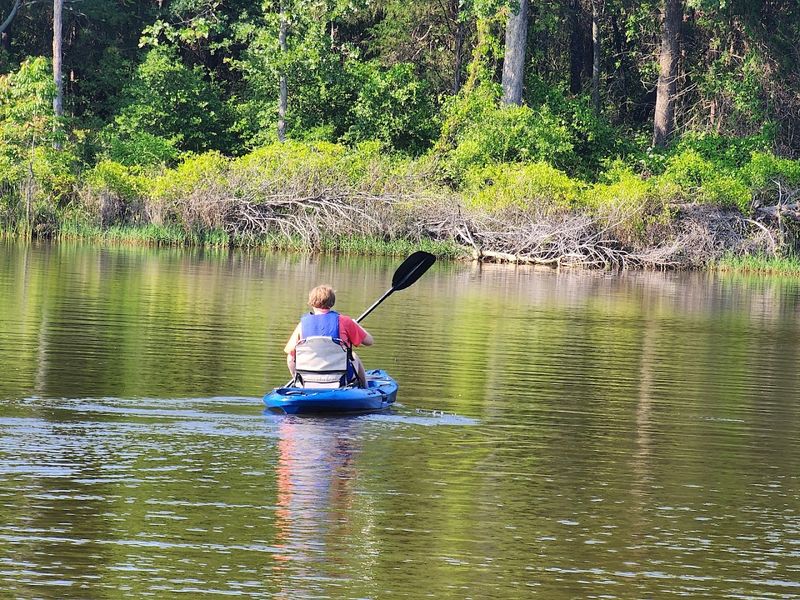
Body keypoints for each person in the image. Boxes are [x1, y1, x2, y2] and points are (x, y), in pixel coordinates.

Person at [284, 284, 373, 387]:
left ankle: (300, 384)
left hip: (309, 378)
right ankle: (365, 387)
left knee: (290, 357)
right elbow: (369, 341)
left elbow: (290, 359)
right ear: (332, 303)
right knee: (353, 355)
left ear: (311, 303)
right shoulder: (345, 321)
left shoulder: (302, 325)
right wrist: (356, 325)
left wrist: (298, 379)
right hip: (341, 378)